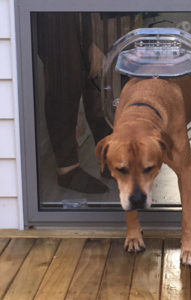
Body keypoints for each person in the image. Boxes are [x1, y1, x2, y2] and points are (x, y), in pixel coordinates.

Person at [36, 13, 111, 194]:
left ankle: (108, 159)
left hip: (79, 12)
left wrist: (93, 40)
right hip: (54, 14)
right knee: (64, 82)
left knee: (96, 84)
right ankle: (67, 169)